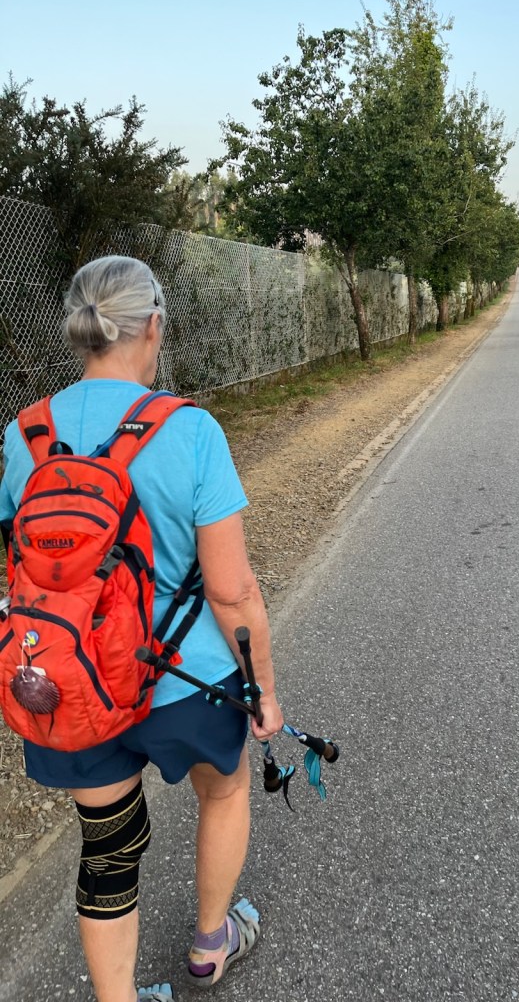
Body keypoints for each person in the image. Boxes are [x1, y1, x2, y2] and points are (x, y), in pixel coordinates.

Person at [0, 255, 284, 1002]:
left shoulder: (22, 435)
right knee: (223, 793)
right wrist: (263, 690)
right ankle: (210, 944)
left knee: (108, 850)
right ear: (154, 325)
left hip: (74, 682)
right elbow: (232, 591)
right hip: (187, 680)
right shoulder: (191, 430)